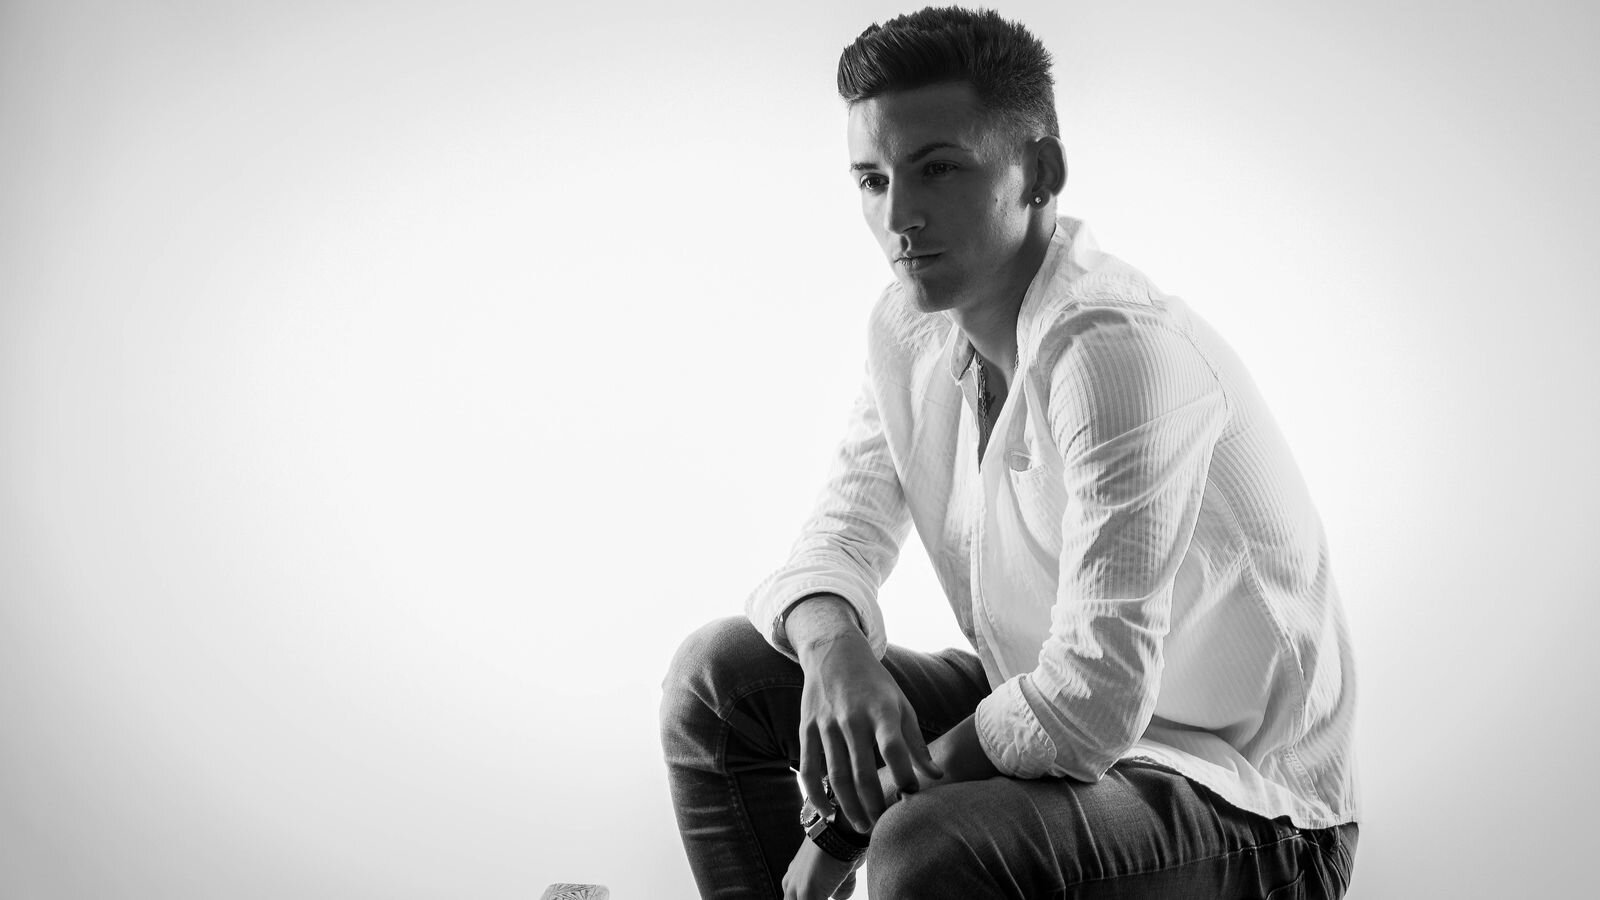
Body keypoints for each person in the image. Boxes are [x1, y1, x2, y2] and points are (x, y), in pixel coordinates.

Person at [659, 7, 1359, 899]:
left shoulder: (1113, 349)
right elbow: (838, 537)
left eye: (938, 169)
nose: (899, 216)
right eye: (872, 180)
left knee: (926, 846)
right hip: (1048, 718)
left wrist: (841, 829)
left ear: (1041, 172)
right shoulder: (911, 328)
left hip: (1250, 806)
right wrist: (834, 651)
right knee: (720, 684)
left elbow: (1093, 697)